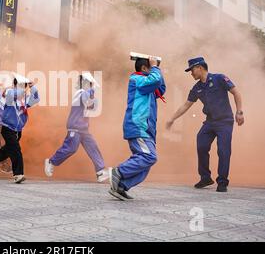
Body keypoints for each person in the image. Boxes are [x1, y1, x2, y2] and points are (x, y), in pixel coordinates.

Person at [166, 57, 244, 192]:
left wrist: (239, 112)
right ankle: (205, 177)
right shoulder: (197, 88)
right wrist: (172, 119)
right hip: (210, 122)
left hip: (225, 121)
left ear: (200, 68)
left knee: (223, 151)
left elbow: (236, 92)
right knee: (201, 144)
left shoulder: (220, 78)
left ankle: (222, 182)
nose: (191, 73)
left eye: (192, 70)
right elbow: (186, 105)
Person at [109, 56, 166, 200]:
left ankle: (120, 186)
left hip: (147, 130)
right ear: (144, 68)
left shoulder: (149, 86)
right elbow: (155, 80)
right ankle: (119, 172)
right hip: (138, 126)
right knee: (149, 156)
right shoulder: (137, 79)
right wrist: (155, 68)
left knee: (144, 164)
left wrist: (157, 67)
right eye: (151, 68)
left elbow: (161, 87)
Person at [44, 72, 109, 182]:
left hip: (83, 128)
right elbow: (85, 98)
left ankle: (100, 171)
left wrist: (93, 94)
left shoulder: (87, 94)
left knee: (93, 147)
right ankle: (51, 161)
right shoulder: (79, 93)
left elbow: (93, 107)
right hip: (75, 126)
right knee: (71, 148)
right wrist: (93, 89)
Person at [0, 73, 40, 183]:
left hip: (18, 130)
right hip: (8, 128)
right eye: (22, 85)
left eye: (24, 85)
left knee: (7, 150)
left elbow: (36, 99)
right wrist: (24, 89)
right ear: (16, 85)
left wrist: (33, 87)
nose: (24, 88)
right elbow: (14, 93)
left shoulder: (24, 99)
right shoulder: (10, 94)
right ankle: (18, 174)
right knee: (16, 150)